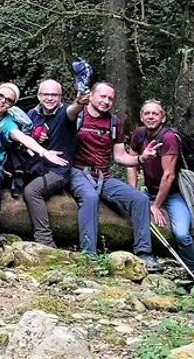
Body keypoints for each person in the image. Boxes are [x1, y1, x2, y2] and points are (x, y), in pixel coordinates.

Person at [0, 21, 67, 251]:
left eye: (8, 100)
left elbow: (23, 138)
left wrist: (44, 152)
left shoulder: (8, 123)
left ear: (11, 105)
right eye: (0, 95)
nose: (2, 101)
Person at [67, 81, 160, 268]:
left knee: (140, 199)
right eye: (102, 96)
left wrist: (141, 158)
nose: (106, 101)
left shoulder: (115, 123)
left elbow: (120, 156)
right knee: (90, 197)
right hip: (77, 171)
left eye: (110, 98)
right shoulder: (77, 117)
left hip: (104, 176)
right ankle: (89, 255)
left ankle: (144, 253)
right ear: (92, 96)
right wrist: (79, 101)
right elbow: (69, 112)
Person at [128, 100, 194, 276]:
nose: (151, 116)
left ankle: (193, 271)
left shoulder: (168, 138)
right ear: (141, 117)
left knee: (182, 234)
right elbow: (132, 163)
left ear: (163, 117)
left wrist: (157, 205)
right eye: (147, 113)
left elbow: (169, 175)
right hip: (149, 191)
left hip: (173, 194)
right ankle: (146, 258)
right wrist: (132, 191)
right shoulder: (139, 134)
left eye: (155, 113)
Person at [20, 79, 83, 249]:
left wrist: (80, 101)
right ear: (39, 96)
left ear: (60, 97)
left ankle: (45, 240)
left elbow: (75, 108)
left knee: (32, 191)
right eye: (46, 94)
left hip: (58, 171)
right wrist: (35, 138)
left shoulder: (65, 113)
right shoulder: (31, 115)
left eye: (54, 95)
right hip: (35, 168)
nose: (49, 98)